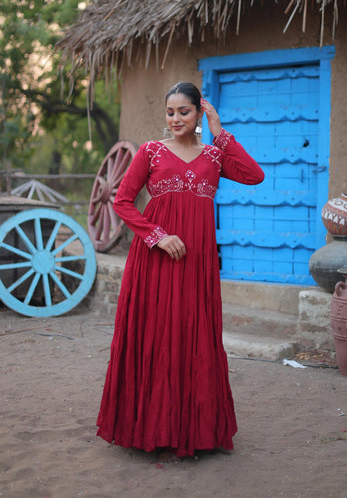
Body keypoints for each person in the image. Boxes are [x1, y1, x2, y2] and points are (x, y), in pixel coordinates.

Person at [96, 81, 264, 460]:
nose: (175, 119)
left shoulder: (213, 157)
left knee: (195, 336)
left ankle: (194, 431)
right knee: (157, 336)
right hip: (155, 261)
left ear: (200, 112)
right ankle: (148, 429)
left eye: (183, 112)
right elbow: (123, 201)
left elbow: (254, 175)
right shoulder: (151, 153)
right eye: (169, 112)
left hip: (198, 263)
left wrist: (220, 132)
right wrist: (156, 235)